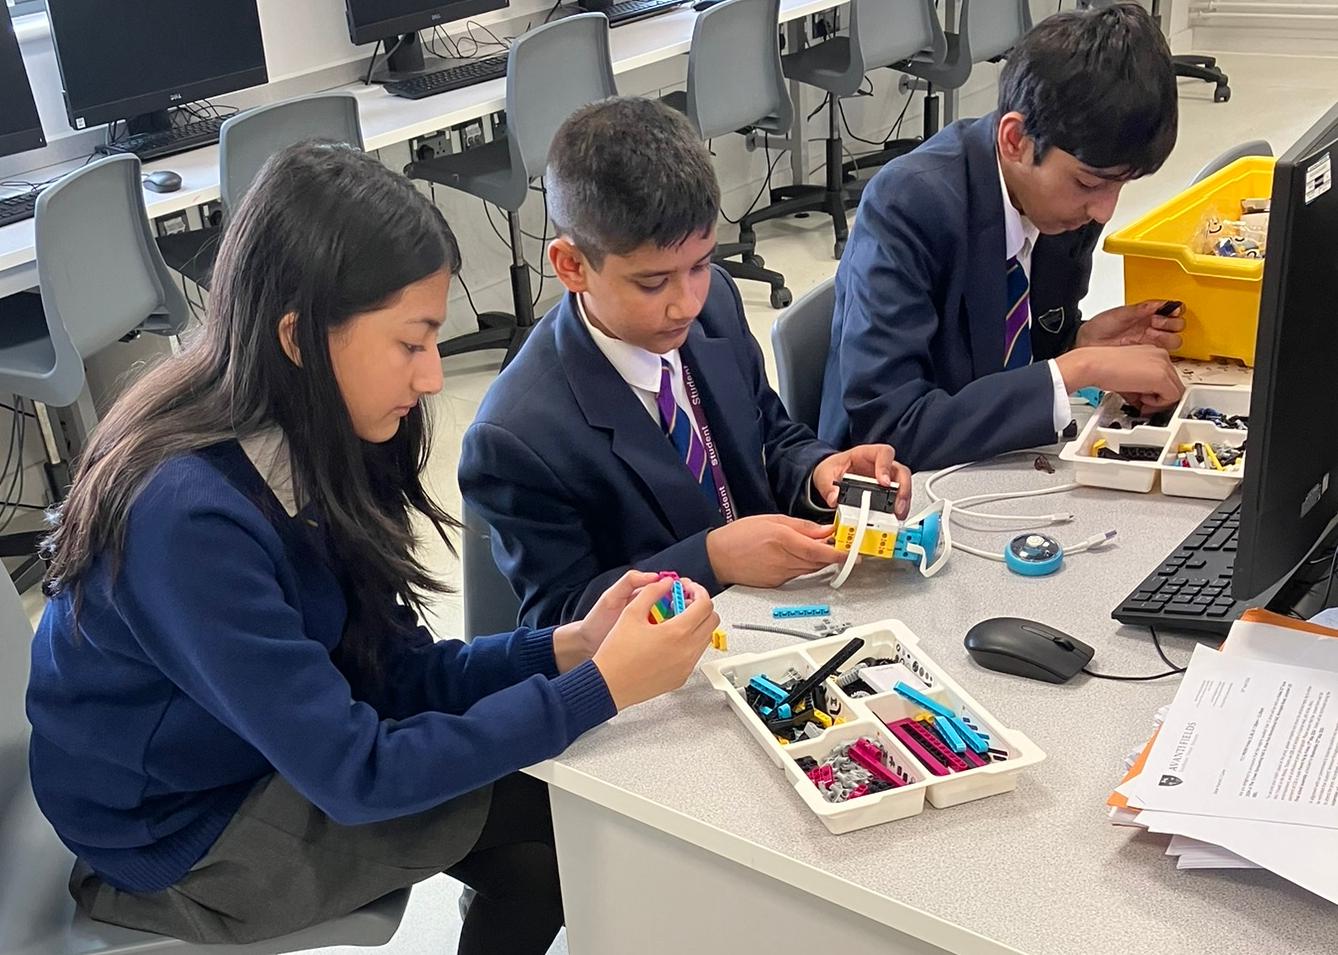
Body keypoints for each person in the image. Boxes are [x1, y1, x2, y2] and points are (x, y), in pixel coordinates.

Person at [25, 141, 720, 955]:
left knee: (555, 822)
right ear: (300, 338)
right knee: (563, 824)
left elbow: (391, 669)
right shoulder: (186, 518)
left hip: (259, 749)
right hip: (182, 834)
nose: (433, 378)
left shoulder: (326, 424)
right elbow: (359, 773)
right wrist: (599, 689)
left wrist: (569, 649)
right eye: (413, 342)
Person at [458, 97, 912, 629]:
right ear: (571, 265)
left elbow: (768, 435)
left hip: (775, 620)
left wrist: (817, 472)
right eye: (652, 282)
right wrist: (713, 559)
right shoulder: (517, 435)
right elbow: (562, 620)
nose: (686, 303)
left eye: (699, 265)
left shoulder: (715, 301)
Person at [819, 2, 1185, 470]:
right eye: (1091, 183)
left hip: (994, 465)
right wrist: (1079, 370)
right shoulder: (908, 205)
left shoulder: (1058, 205)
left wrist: (1079, 342)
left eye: (1121, 185)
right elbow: (890, 429)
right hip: (898, 490)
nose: (1104, 210)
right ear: (1014, 141)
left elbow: (1006, 353)